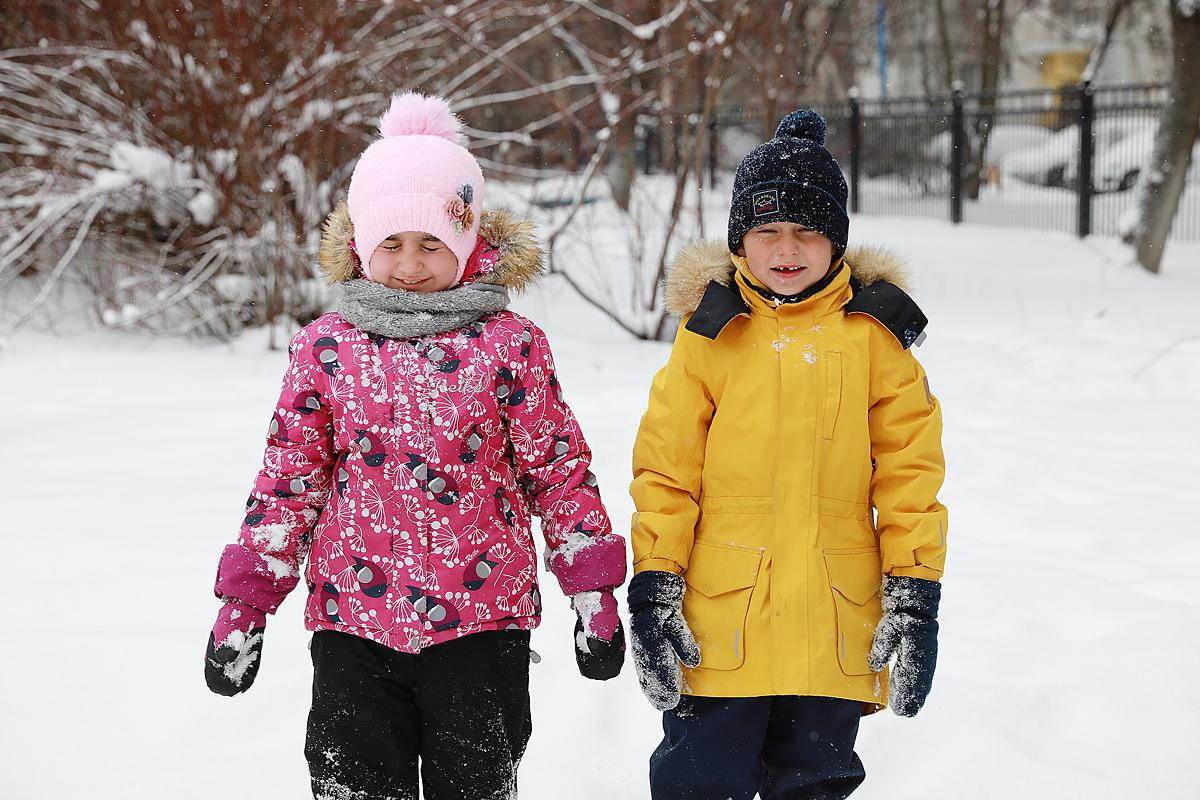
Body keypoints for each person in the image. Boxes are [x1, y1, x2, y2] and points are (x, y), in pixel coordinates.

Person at [203, 91, 627, 800]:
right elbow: (288, 480)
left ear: (465, 241)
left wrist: (591, 587)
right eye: (390, 243)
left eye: (431, 243)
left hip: (482, 622)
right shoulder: (326, 349)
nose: (408, 264)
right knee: (352, 784)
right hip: (352, 621)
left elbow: (557, 472)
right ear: (361, 244)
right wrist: (246, 601)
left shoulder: (510, 346)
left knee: (476, 785)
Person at [627, 108, 948, 800]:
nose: (787, 248)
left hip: (833, 627)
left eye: (808, 230)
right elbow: (666, 470)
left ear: (836, 239)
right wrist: (655, 584)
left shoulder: (875, 339)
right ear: (740, 242)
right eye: (767, 230)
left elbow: (910, 477)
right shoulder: (710, 333)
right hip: (720, 626)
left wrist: (914, 595)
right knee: (697, 784)